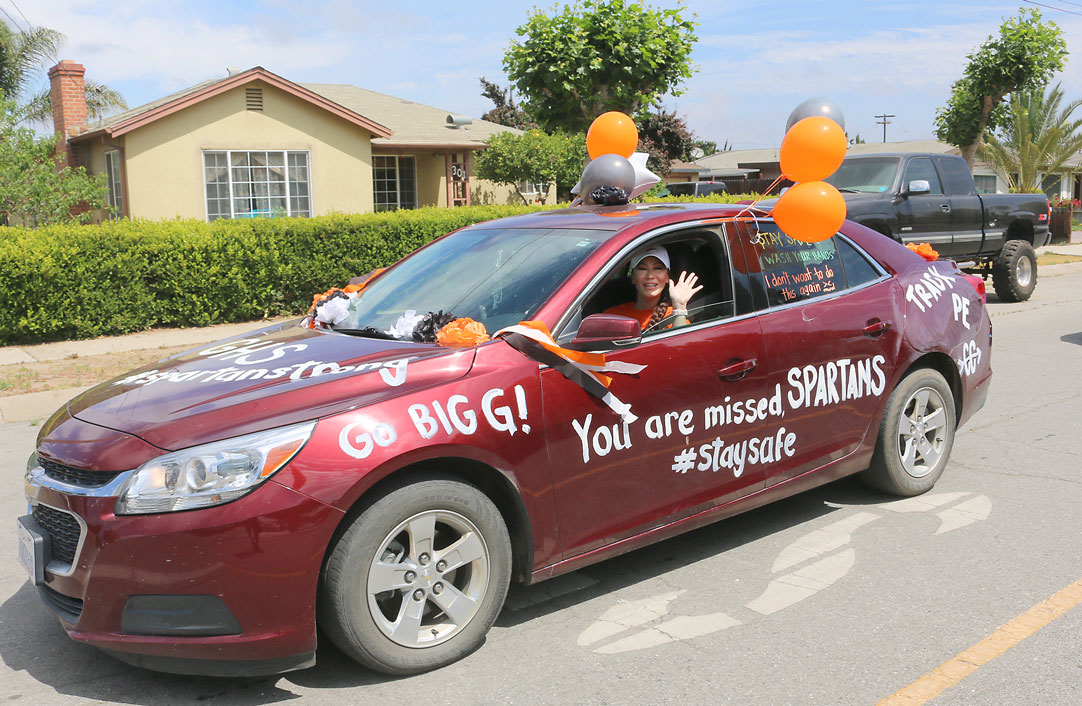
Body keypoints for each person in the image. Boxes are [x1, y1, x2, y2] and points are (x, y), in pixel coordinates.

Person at [604, 246, 702, 331]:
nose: (650, 275)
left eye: (657, 268)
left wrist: (679, 307)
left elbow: (681, 346)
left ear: (667, 277)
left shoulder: (672, 315)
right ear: (633, 278)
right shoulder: (614, 315)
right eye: (642, 268)